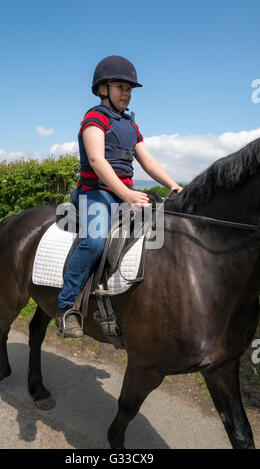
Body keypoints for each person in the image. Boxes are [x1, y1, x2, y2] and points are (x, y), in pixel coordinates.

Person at [55, 55, 183, 338]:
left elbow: (149, 163)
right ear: (103, 89)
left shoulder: (131, 126)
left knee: (164, 233)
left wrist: (175, 186)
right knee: (95, 241)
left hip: (126, 195)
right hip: (95, 193)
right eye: (120, 87)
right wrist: (126, 194)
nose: (126, 94)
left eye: (129, 89)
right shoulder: (94, 118)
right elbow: (97, 160)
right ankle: (66, 307)